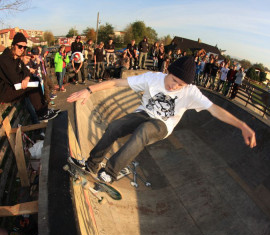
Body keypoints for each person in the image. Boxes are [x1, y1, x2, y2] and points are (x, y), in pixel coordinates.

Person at [67, 56, 256, 184]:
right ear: (168, 71)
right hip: (144, 113)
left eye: (180, 85)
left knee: (143, 132)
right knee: (115, 126)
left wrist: (242, 125)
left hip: (163, 125)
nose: (175, 87)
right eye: (173, 80)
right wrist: (89, 90)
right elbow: (118, 82)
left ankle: (110, 172)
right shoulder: (152, 78)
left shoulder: (191, 92)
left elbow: (215, 110)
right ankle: (91, 164)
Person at [0, 32, 58, 122]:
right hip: (4, 92)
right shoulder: (5, 59)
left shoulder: (17, 58)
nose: (22, 49)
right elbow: (15, 79)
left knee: (35, 79)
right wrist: (26, 77)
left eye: (24, 47)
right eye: (20, 46)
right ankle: (42, 113)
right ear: (13, 45)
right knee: (31, 85)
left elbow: (26, 71)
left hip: (14, 87)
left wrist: (26, 78)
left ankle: (44, 110)